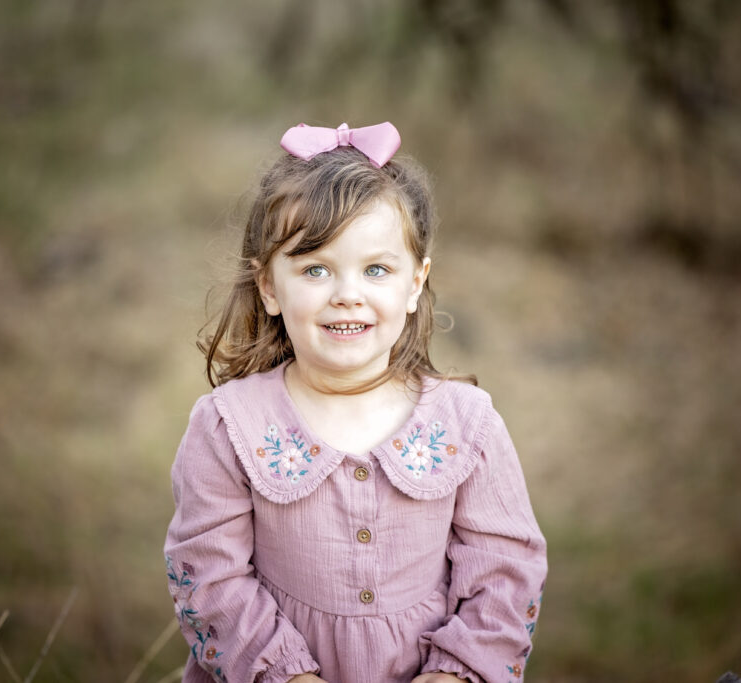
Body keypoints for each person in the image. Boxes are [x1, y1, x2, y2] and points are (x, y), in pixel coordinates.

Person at [164, 121, 547, 683]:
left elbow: (507, 573)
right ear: (269, 286)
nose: (348, 293)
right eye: (315, 269)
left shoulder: (468, 425)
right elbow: (207, 576)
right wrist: (288, 676)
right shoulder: (228, 427)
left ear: (415, 283)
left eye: (376, 269)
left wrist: (452, 675)